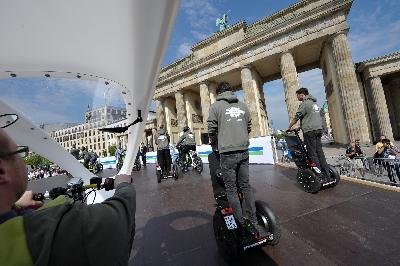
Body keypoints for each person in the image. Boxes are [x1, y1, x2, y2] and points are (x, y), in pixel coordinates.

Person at [0, 128, 136, 265]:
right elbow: (119, 217)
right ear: (1, 170)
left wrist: (15, 205)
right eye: (19, 153)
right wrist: (123, 185)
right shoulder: (61, 225)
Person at [207, 81, 266, 238]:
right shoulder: (242, 105)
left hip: (227, 153)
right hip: (244, 150)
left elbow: (211, 129)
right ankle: (253, 220)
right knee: (245, 186)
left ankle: (239, 223)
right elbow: (248, 126)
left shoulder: (215, 106)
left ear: (219, 93)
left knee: (231, 189)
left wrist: (214, 141)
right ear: (231, 91)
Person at [287, 87, 330, 181]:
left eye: (297, 95)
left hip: (310, 132)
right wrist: (300, 127)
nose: (297, 97)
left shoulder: (304, 104)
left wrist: (289, 127)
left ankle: (319, 175)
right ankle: (326, 172)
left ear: (302, 94)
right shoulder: (314, 104)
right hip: (318, 129)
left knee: (312, 153)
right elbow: (310, 118)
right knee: (319, 152)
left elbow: (296, 117)